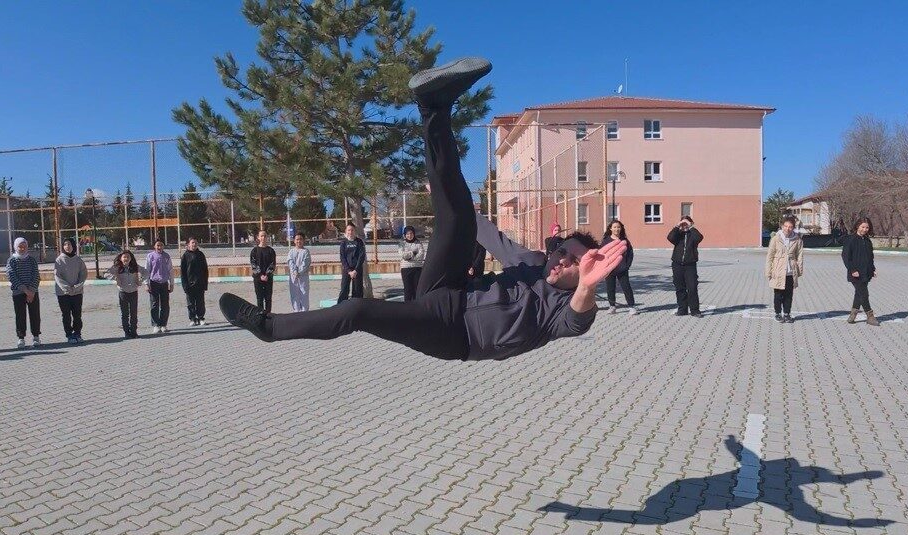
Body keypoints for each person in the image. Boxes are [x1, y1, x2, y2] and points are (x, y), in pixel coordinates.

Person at [220, 57, 627, 361]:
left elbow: (578, 320)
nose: (561, 260)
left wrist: (588, 285)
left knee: (358, 310)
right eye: (563, 251)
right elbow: (489, 235)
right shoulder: (534, 262)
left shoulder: (564, 309)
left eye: (575, 262)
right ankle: (434, 106)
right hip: (449, 289)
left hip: (454, 332)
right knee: (460, 216)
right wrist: (448, 198)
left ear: (585, 273)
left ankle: (269, 327)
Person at [765, 215, 804, 323]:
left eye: (790, 227)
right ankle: (778, 313)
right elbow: (770, 256)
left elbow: (800, 256)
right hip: (778, 270)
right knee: (778, 294)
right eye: (786, 226)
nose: (788, 229)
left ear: (793, 228)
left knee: (788, 295)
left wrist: (799, 270)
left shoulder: (797, 240)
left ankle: (787, 313)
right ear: (782, 226)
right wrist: (768, 271)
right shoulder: (776, 239)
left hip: (791, 271)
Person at [6, 237, 41, 347]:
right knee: (20, 315)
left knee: (35, 314)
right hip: (18, 293)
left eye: (24, 246)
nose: (22, 249)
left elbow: (36, 275)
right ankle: (21, 338)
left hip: (33, 293)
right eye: (20, 246)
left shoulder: (32, 260)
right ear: (15, 247)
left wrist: (32, 291)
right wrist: (25, 290)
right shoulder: (11, 260)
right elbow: (11, 276)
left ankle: (36, 336)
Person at [842, 217, 878, 326]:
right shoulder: (851, 239)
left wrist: (873, 269)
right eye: (862, 227)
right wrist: (852, 270)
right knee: (864, 294)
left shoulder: (867, 241)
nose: (865, 229)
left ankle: (852, 316)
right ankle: (870, 316)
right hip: (855, 273)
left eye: (867, 227)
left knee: (859, 294)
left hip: (866, 272)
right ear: (857, 226)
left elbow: (870, 257)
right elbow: (846, 256)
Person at [106, 250, 149, 338]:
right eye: (124, 257)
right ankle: (127, 332)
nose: (126, 259)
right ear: (121, 258)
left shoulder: (135, 266)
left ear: (131, 258)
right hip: (123, 292)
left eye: (128, 257)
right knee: (125, 313)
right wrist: (115, 279)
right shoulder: (117, 267)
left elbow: (146, 272)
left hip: (133, 292)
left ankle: (134, 332)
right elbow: (106, 274)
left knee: (134, 313)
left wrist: (140, 280)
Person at [667, 215, 703, 318]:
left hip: (690, 265)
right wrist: (677, 226)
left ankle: (695, 310)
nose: (684, 225)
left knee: (692, 287)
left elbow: (699, 238)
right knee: (680, 288)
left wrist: (690, 227)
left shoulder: (693, 234)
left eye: (686, 223)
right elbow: (670, 238)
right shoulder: (678, 234)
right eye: (683, 223)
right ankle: (682, 309)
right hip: (677, 264)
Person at [54, 237, 88, 343]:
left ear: (73, 246)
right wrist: (67, 288)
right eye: (65, 244)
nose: (67, 246)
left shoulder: (78, 260)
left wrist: (77, 287)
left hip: (77, 292)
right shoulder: (59, 260)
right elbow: (57, 276)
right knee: (66, 315)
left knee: (77, 314)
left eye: (69, 244)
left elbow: (83, 274)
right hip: (63, 293)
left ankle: (77, 333)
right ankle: (69, 335)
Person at [601, 220, 637, 315]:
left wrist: (627, 265)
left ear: (621, 229)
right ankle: (612, 306)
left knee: (626, 287)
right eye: (615, 227)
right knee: (610, 288)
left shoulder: (625, 241)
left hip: (622, 269)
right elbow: (602, 254)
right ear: (610, 228)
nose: (617, 229)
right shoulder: (606, 241)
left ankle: (631, 307)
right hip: (610, 269)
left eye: (618, 227)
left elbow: (630, 254)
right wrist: (605, 266)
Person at [145, 238, 173, 333]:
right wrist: (146, 283)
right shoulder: (150, 256)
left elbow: (170, 270)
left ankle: (163, 324)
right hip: (154, 283)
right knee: (154, 304)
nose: (159, 247)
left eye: (161, 245)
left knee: (165, 305)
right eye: (158, 245)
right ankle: (156, 325)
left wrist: (171, 284)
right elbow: (147, 270)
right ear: (154, 246)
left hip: (164, 283)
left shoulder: (167, 256)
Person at [180, 237, 209, 326]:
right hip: (189, 284)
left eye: (196, 243)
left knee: (200, 302)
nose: (194, 244)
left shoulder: (200, 254)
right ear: (188, 244)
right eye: (192, 242)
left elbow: (205, 270)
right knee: (190, 303)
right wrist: (185, 285)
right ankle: (192, 319)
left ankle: (201, 318)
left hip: (200, 283)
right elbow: (183, 272)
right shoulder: (185, 256)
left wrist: (205, 283)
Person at [338, 223, 366, 302]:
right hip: (347, 270)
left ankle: (357, 307)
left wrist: (356, 270)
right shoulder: (343, 243)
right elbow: (342, 258)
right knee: (344, 289)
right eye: (349, 230)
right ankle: (341, 306)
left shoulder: (359, 242)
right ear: (346, 231)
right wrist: (349, 271)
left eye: (352, 230)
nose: (350, 232)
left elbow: (361, 257)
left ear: (355, 231)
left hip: (357, 270)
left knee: (357, 291)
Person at [250, 230, 276, 312]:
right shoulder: (254, 251)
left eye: (265, 236)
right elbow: (253, 264)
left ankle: (268, 315)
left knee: (268, 298)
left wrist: (267, 275)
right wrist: (260, 275)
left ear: (267, 237)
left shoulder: (271, 251)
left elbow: (272, 264)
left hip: (268, 278)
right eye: (261, 236)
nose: (263, 237)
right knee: (259, 298)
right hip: (258, 278)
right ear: (258, 237)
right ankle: (261, 315)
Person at [398, 226, 425, 302]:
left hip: (417, 268)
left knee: (417, 288)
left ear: (414, 234)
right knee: (407, 288)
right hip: (406, 268)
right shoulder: (402, 243)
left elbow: (421, 255)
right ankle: (407, 305)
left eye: (411, 233)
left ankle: (416, 304)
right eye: (407, 234)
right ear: (405, 235)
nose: (409, 235)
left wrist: (409, 258)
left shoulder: (418, 243)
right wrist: (413, 253)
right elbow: (403, 255)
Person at [287, 232, 312, 312]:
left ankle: (304, 313)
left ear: (303, 240)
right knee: (294, 295)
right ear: (294, 241)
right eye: (297, 239)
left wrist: (299, 272)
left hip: (303, 277)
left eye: (301, 239)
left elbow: (306, 263)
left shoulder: (306, 251)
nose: (299, 241)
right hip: (293, 277)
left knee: (304, 295)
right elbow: (290, 262)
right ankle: (296, 312)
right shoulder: (291, 252)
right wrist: (294, 271)